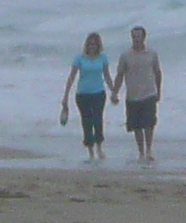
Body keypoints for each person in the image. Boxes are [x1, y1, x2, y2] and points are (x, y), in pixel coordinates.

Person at [112, 25, 163, 164]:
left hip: (149, 93)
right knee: (136, 126)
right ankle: (141, 152)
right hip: (132, 95)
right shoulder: (125, 55)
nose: (136, 39)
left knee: (149, 124)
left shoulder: (152, 53)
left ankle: (149, 150)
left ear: (144, 37)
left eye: (138, 36)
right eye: (133, 36)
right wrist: (114, 92)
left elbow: (158, 73)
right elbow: (120, 75)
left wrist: (159, 91)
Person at [60, 32, 112, 161]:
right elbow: (71, 77)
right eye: (90, 44)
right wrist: (65, 96)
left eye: (95, 44)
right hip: (83, 94)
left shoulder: (103, 58)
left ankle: (99, 147)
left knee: (98, 120)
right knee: (87, 122)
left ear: (98, 45)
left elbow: (107, 76)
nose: (92, 46)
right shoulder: (80, 58)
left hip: (99, 93)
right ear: (87, 45)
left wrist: (114, 91)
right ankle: (90, 151)